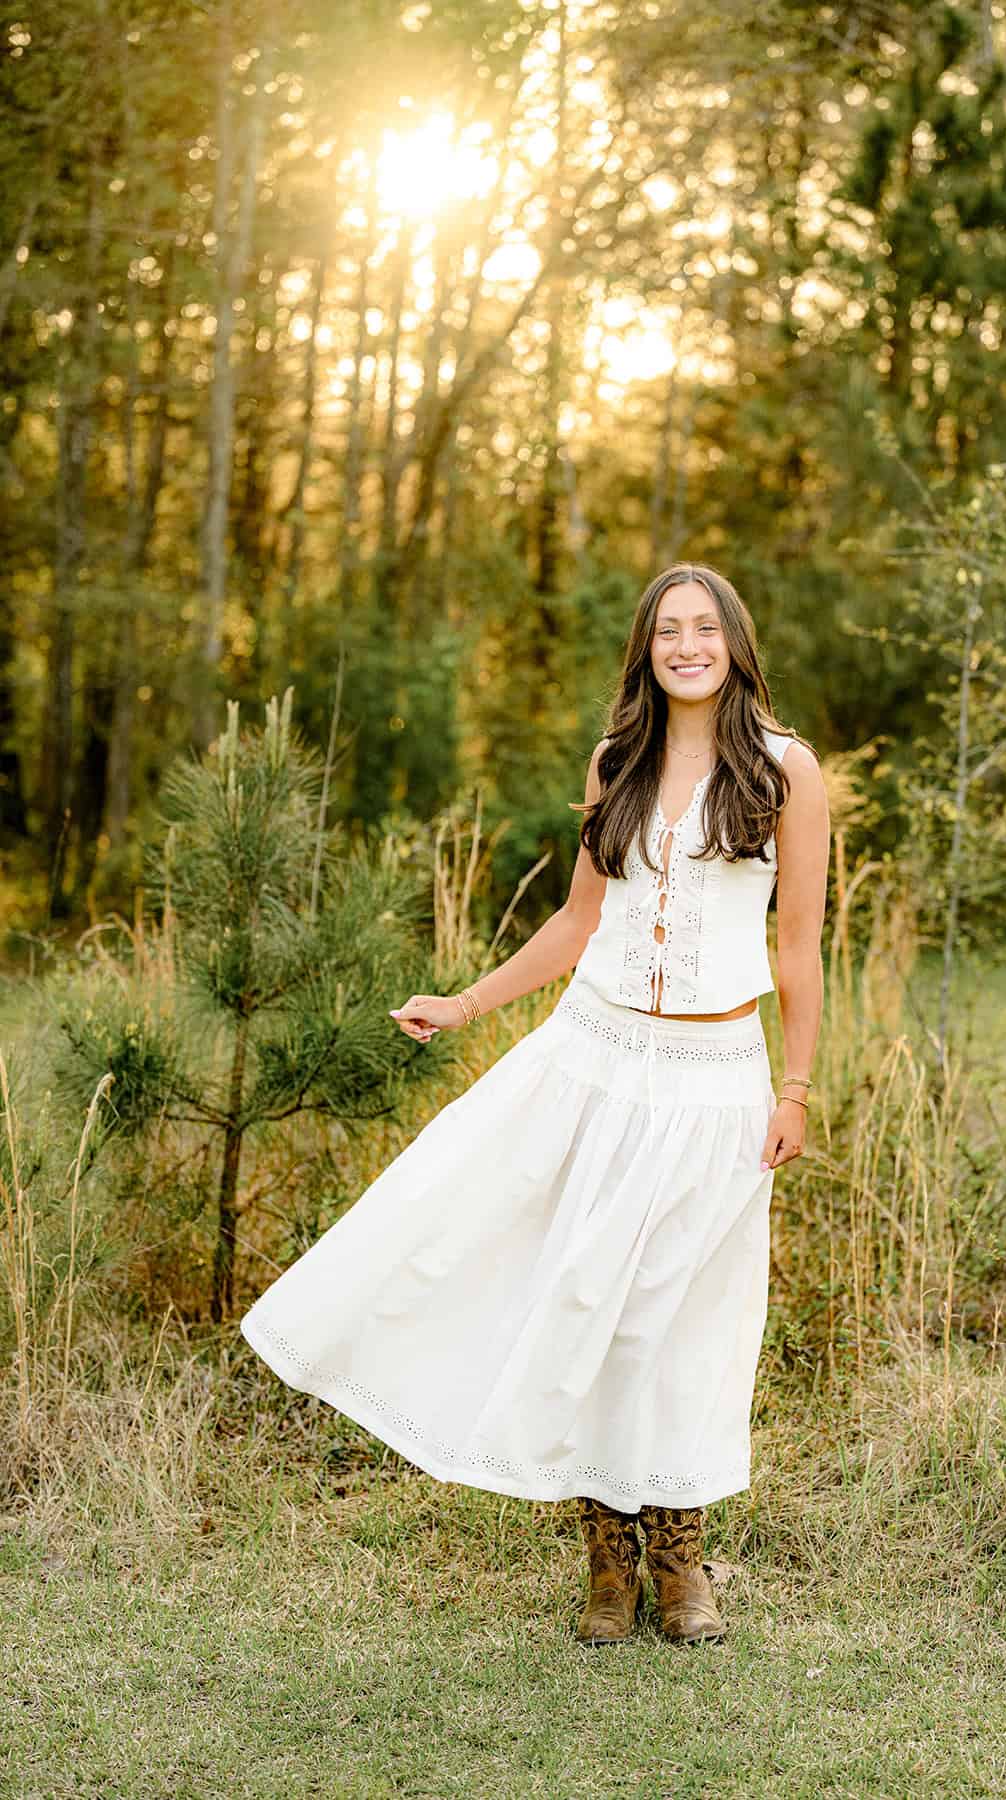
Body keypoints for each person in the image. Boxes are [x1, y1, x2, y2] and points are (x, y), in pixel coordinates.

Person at [240, 561, 830, 1646]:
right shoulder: (619, 761)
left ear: (736, 643)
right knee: (584, 1303)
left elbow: (799, 948)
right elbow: (575, 924)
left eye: (705, 628)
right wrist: (466, 1003)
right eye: (667, 632)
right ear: (647, 652)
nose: (686, 645)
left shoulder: (788, 772)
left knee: (683, 1319)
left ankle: (682, 1565)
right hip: (597, 1061)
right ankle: (608, 1565)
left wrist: (794, 1086)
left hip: (714, 1086)